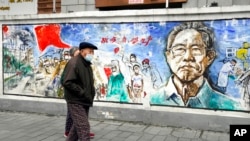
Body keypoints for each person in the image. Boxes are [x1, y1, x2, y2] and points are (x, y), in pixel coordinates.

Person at [150, 22, 242, 110]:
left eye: (196, 49)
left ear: (209, 57)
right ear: (168, 57)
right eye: (180, 49)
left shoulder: (229, 106)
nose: (187, 57)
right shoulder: (151, 100)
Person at [61, 42, 97, 141]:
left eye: (93, 52)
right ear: (81, 51)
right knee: (84, 129)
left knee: (76, 131)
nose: (92, 54)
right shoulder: (74, 63)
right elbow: (67, 82)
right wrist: (82, 92)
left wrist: (90, 93)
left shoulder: (86, 64)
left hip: (85, 100)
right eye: (90, 51)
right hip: (76, 101)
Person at [63, 47, 80, 137]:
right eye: (77, 54)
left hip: (79, 94)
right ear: (72, 55)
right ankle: (68, 131)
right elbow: (65, 81)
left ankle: (82, 130)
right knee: (71, 113)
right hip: (71, 94)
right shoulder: (70, 65)